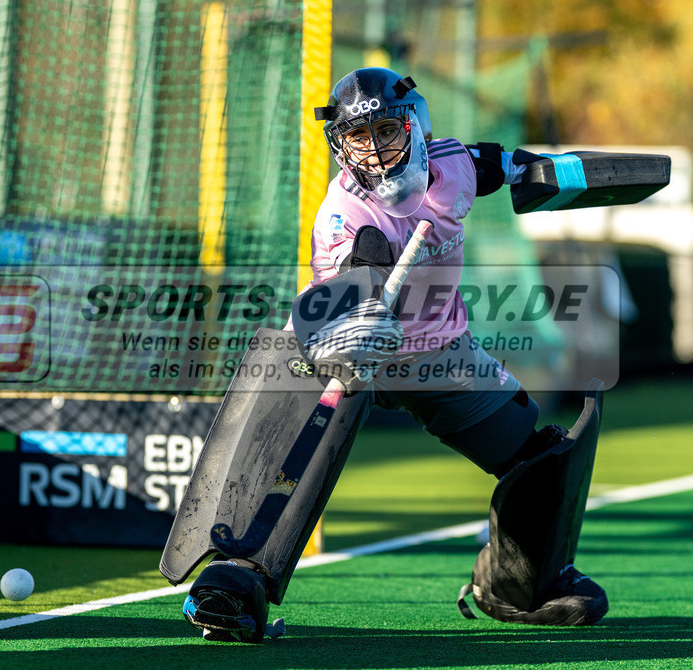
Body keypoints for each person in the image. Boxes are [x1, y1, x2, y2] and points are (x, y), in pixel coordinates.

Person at [161, 67, 608, 642]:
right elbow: (341, 289)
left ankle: (518, 588)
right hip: (349, 350)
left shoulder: (454, 167)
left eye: (387, 132)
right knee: (286, 460)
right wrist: (352, 318)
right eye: (358, 138)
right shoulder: (344, 216)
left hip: (440, 351)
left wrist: (561, 173)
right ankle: (233, 579)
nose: (373, 151)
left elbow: (508, 167)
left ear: (415, 128)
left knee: (533, 455)